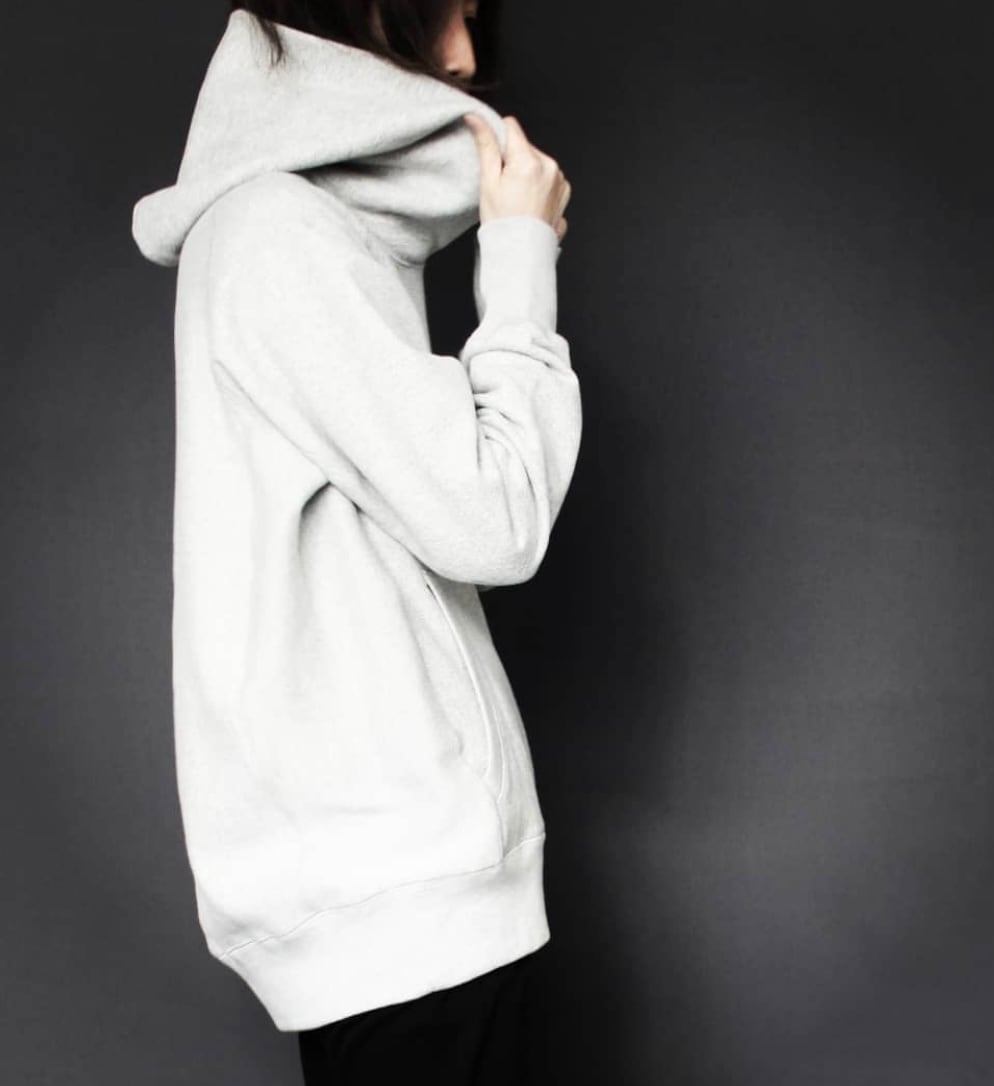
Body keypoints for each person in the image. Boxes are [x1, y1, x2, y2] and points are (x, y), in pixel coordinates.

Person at [130, 1, 581, 1082]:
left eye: (475, 18)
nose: (465, 57)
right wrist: (520, 257)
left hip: (401, 899)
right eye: (440, 10)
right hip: (406, 899)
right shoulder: (279, 234)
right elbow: (498, 519)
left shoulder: (293, 233)